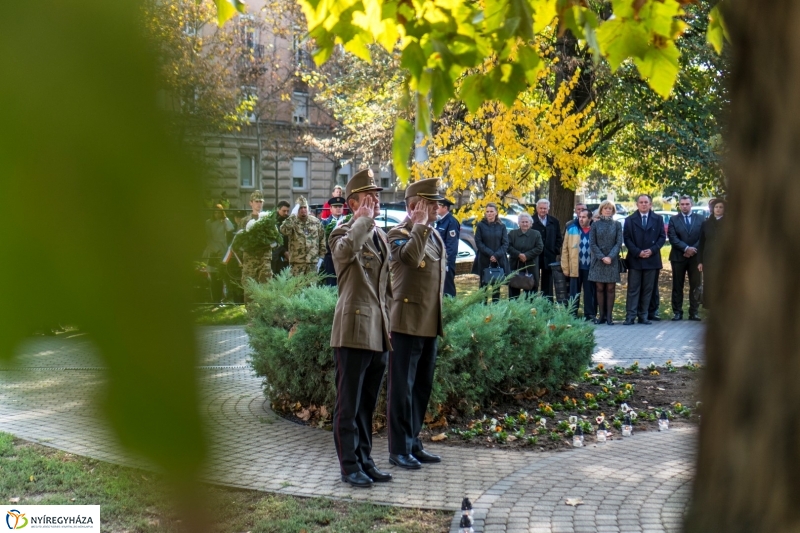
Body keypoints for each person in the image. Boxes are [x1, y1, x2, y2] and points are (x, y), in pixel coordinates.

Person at [329, 169, 392, 488]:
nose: (376, 200)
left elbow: (385, 287)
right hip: (353, 328)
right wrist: (362, 219)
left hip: (378, 331)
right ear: (353, 202)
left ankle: (365, 460)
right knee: (349, 404)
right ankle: (349, 465)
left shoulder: (381, 236)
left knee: (367, 405)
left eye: (377, 195)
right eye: (369, 196)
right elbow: (343, 256)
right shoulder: (341, 232)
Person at [386, 178, 446, 470]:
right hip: (405, 323)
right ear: (414, 206)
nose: (438, 207)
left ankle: (412, 443)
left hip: (428, 322)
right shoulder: (397, 233)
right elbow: (410, 258)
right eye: (431, 203)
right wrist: (419, 224)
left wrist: (424, 228)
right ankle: (398, 449)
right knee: (402, 389)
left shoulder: (433, 236)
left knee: (420, 388)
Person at [623, 194, 666, 325]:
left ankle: (644, 315)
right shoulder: (630, 220)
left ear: (650, 204)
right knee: (633, 289)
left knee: (648, 289)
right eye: (641, 202)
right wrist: (638, 252)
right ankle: (630, 316)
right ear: (637, 204)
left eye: (646, 202)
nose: (643, 204)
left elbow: (662, 237)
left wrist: (652, 250)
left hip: (651, 259)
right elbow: (627, 238)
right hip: (636, 259)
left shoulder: (658, 219)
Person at [668, 195, 703, 320]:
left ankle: (694, 312)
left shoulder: (700, 219)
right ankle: (677, 312)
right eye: (682, 204)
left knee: (696, 285)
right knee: (677, 286)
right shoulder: (673, 219)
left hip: (695, 258)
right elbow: (672, 237)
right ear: (679, 205)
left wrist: (693, 249)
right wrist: (685, 248)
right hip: (678, 257)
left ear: (691, 204)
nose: (684, 206)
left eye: (687, 204)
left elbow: (703, 237)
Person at [589, 201, 624, 325]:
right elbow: (592, 243)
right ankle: (601, 315)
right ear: (601, 210)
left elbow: (618, 243)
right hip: (598, 261)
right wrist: (602, 257)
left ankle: (609, 316)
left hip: (612, 260)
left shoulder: (617, 224)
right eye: (605, 208)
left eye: (610, 208)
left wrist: (610, 256)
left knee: (610, 288)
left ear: (613, 211)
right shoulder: (595, 225)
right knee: (599, 288)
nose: (608, 210)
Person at [471, 203, 510, 302]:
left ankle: (495, 310)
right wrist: (490, 254)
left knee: (496, 286)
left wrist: (496, 255)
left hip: (498, 260)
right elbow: (478, 242)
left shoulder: (502, 226)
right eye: (487, 211)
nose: (489, 213)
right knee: (483, 286)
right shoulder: (480, 225)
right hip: (484, 259)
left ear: (496, 212)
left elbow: (505, 243)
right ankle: (482, 310)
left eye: (491, 211)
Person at [562, 209, 596, 320]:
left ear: (590, 219)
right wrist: (565, 267)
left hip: (590, 267)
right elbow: (565, 249)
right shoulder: (572, 229)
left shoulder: (594, 230)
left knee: (589, 293)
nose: (581, 219)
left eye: (584, 217)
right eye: (580, 217)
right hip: (575, 267)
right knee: (573, 293)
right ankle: (572, 314)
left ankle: (589, 314)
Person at [280, 196, 326, 277]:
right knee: (297, 288)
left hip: (312, 262)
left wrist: (321, 258)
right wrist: (292, 215)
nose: (303, 210)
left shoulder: (315, 222)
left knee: (312, 288)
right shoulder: (292, 221)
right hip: (297, 263)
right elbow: (283, 230)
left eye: (305, 207)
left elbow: (322, 239)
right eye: (300, 208)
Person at [239, 191, 272, 296]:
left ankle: (264, 311)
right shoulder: (244, 221)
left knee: (266, 285)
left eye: (261, 201)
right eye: (256, 201)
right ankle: (251, 312)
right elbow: (239, 239)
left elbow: (276, 238)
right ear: (251, 203)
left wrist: (271, 243)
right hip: (250, 258)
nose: (259, 204)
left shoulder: (268, 220)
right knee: (249, 286)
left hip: (264, 257)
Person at [531, 199, 563, 300]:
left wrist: (555, 249)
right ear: (537, 208)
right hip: (534, 257)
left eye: (545, 208)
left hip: (549, 256)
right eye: (541, 208)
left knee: (548, 283)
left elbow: (559, 238)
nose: (542, 210)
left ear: (548, 209)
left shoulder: (554, 221)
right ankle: (531, 305)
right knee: (533, 281)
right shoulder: (531, 221)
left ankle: (547, 306)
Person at [507, 212, 544, 299]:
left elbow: (539, 247)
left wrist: (526, 255)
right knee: (513, 291)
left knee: (530, 292)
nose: (525, 224)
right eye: (522, 222)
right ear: (519, 223)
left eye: (527, 222)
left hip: (531, 266)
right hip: (515, 265)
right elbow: (508, 247)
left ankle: (530, 310)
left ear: (531, 223)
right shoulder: (512, 233)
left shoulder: (536, 234)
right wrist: (519, 254)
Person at [203, 204, 235, 304]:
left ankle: (222, 299)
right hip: (213, 251)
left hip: (223, 250)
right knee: (213, 277)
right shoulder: (208, 222)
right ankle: (215, 300)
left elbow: (231, 228)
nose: (217, 214)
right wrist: (216, 249)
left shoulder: (223, 222)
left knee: (222, 276)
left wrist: (225, 218)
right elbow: (208, 238)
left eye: (219, 212)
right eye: (215, 212)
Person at [698, 198, 725, 310]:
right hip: (709, 259)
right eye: (716, 207)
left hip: (724, 259)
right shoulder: (706, 224)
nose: (718, 209)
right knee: (709, 283)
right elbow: (701, 243)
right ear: (712, 209)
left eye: (720, 207)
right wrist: (700, 261)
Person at [434, 198, 460, 297]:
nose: (436, 208)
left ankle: (451, 307)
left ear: (445, 208)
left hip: (446, 261)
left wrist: (446, 262)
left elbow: (451, 246)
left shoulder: (451, 222)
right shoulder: (441, 221)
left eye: (439, 205)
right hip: (439, 260)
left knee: (448, 287)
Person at [320, 196, 348, 286]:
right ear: (330, 209)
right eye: (335, 207)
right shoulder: (325, 223)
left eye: (340, 207)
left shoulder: (348, 221)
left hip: (345, 256)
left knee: (345, 282)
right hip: (330, 256)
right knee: (331, 283)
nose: (338, 209)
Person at [272, 201, 291, 275]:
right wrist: (284, 252)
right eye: (284, 211)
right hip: (277, 253)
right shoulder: (273, 221)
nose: (286, 213)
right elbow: (276, 239)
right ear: (278, 209)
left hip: (288, 253)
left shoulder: (289, 219)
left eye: (287, 211)